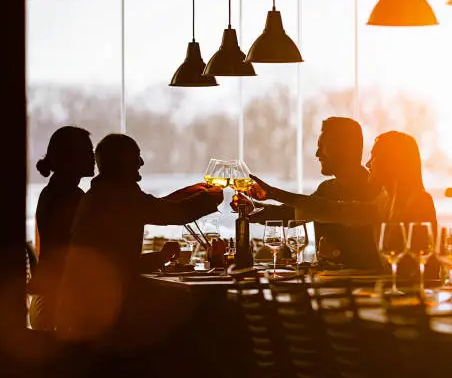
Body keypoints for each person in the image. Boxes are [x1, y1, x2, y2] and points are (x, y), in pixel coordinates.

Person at [56, 133, 223, 344]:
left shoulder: (103, 193)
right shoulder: (119, 196)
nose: (141, 163)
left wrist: (161, 256)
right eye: (136, 157)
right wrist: (209, 199)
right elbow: (172, 213)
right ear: (122, 162)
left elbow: (152, 209)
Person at [249, 131, 437, 278]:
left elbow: (418, 268)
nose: (369, 163)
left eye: (375, 156)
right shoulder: (384, 202)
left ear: (392, 162)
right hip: (391, 292)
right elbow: (331, 210)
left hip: (414, 296)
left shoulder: (419, 202)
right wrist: (273, 194)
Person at [236, 117, 382, 270]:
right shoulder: (327, 188)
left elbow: (372, 257)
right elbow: (294, 212)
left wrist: (336, 254)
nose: (317, 154)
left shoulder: (375, 191)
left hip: (364, 289)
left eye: (322, 146)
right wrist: (254, 208)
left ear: (343, 148)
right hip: (328, 285)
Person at [29, 126, 95, 331]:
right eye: (87, 151)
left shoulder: (53, 192)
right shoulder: (71, 197)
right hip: (59, 304)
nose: (93, 157)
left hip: (47, 299)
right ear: (70, 157)